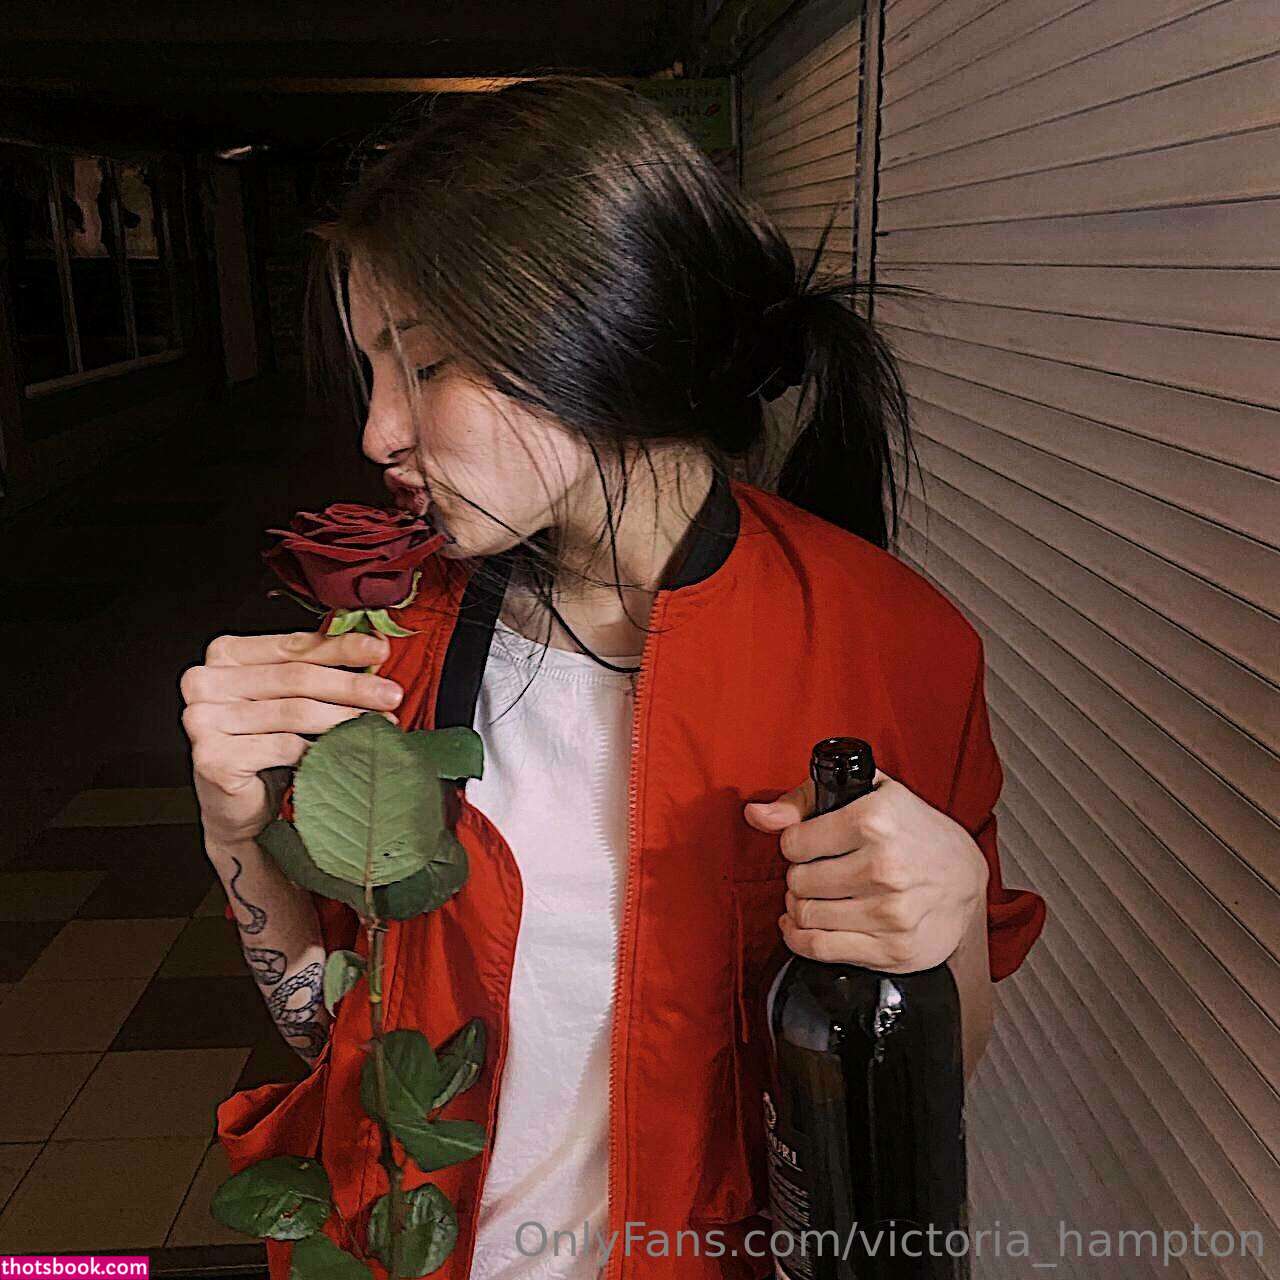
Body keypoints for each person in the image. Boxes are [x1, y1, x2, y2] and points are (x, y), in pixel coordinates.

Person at [181, 75, 1045, 1280]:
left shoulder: (889, 646)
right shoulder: (390, 642)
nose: (377, 432)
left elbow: (913, 1094)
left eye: (420, 365)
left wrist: (943, 927)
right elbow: (337, 1031)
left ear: (596, 331)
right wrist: (236, 832)